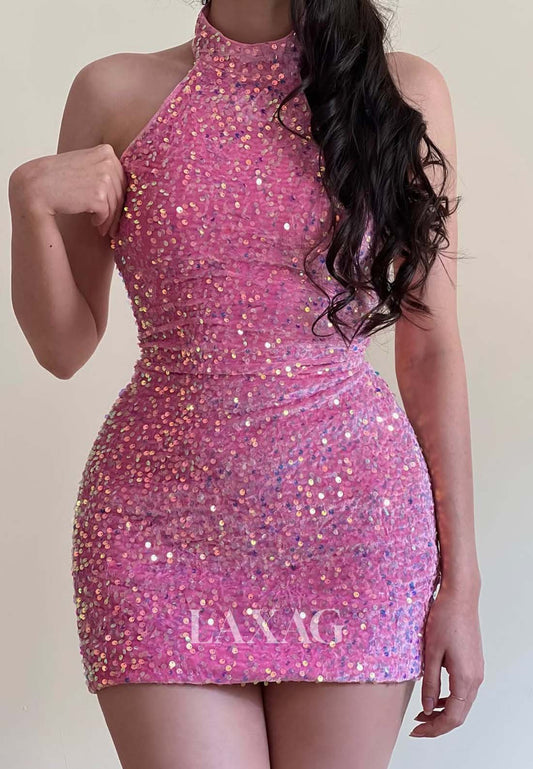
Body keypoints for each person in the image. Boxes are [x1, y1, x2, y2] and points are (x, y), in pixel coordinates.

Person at [8, 0, 484, 766]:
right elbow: (63, 346)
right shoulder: (113, 93)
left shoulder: (401, 92)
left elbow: (430, 354)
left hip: (354, 536)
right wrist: (29, 202)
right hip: (158, 536)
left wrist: (460, 585)